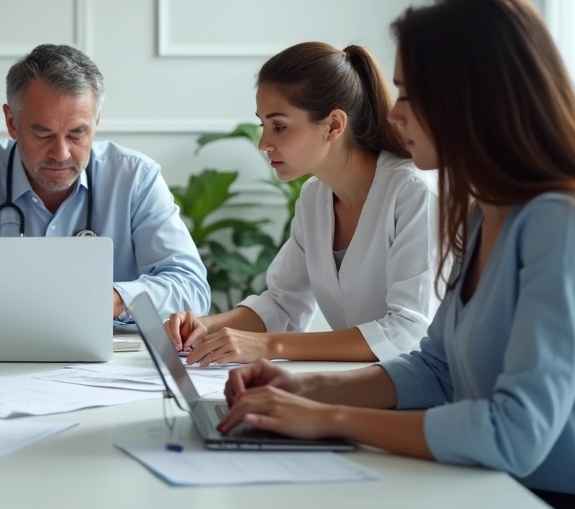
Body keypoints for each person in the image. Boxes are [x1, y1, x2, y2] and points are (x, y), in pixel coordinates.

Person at [218, 0, 575, 508]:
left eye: (409, 93)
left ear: (472, 96)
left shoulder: (559, 224)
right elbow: (437, 369)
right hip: (491, 486)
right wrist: (306, 388)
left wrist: (328, 419)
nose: (394, 113)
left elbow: (514, 433)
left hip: (559, 497)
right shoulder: (484, 214)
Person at [0, 44, 210, 331]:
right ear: (12, 122)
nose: (61, 153)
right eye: (43, 134)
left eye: (77, 134)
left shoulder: (135, 178)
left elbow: (191, 288)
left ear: (96, 123)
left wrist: (112, 300)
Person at [165, 42, 438, 364]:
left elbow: (406, 333)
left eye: (279, 126)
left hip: (423, 397)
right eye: (263, 125)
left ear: (334, 125)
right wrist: (202, 327)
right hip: (358, 385)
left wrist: (269, 346)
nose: (264, 144)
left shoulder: (414, 192)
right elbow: (283, 303)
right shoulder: (315, 196)